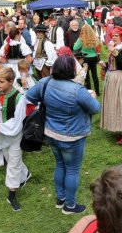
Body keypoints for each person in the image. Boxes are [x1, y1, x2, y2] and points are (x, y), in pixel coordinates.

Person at [27, 55, 100, 214]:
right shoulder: (78, 90)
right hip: (72, 137)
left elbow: (29, 96)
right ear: (71, 70)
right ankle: (70, 206)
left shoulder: (44, 82)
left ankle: (61, 199)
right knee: (72, 169)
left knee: (60, 164)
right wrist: (92, 96)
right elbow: (95, 108)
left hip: (51, 134)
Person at [0, 67, 30, 211]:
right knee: (9, 158)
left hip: (15, 134)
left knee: (13, 163)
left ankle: (11, 195)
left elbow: (17, 122)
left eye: (1, 82)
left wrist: (0, 127)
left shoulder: (19, 98)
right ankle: (26, 175)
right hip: (2, 134)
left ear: (11, 82)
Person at [73, 23, 102, 96]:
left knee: (87, 75)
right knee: (95, 75)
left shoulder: (81, 38)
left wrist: (76, 43)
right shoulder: (94, 37)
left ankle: (89, 91)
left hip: (85, 58)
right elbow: (97, 46)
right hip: (93, 57)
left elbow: (75, 48)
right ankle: (97, 92)